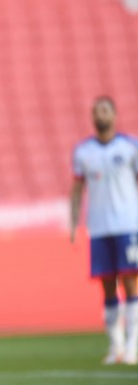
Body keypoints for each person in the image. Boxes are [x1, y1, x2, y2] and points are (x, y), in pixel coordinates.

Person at [70, 96, 138, 365]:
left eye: (105, 110)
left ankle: (133, 345)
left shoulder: (129, 146)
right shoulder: (83, 152)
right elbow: (76, 191)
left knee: (131, 283)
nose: (101, 115)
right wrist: (74, 222)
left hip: (127, 224)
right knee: (107, 287)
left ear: (115, 115)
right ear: (92, 117)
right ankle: (116, 347)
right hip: (98, 228)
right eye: (97, 111)